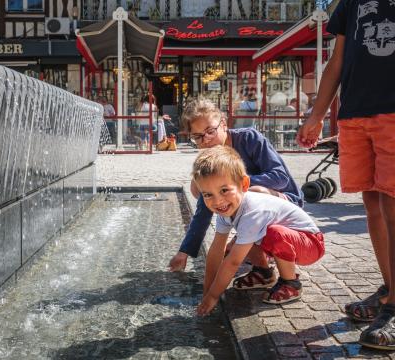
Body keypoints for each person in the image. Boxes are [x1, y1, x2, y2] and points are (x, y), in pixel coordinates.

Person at [297, 0, 395, 350]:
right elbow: (337, 60)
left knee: (393, 207)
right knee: (374, 207)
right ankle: (389, 290)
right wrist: (317, 114)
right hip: (355, 113)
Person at [169, 98, 304, 288]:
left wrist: (233, 185)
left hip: (285, 201)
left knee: (250, 193)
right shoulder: (211, 160)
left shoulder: (249, 138)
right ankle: (262, 268)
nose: (206, 140)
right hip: (256, 208)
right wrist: (185, 252)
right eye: (198, 137)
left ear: (223, 124)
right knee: (204, 190)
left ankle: (281, 276)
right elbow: (203, 212)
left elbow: (281, 178)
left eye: (210, 131)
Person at [194, 146, 324, 315]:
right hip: (289, 240)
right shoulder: (225, 208)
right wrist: (207, 292)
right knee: (240, 241)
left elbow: (233, 262)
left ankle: (290, 283)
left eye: (224, 190)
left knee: (270, 234)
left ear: (244, 184)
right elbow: (215, 251)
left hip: (311, 244)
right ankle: (264, 273)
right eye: (208, 195)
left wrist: (213, 296)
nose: (218, 201)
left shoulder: (253, 211)